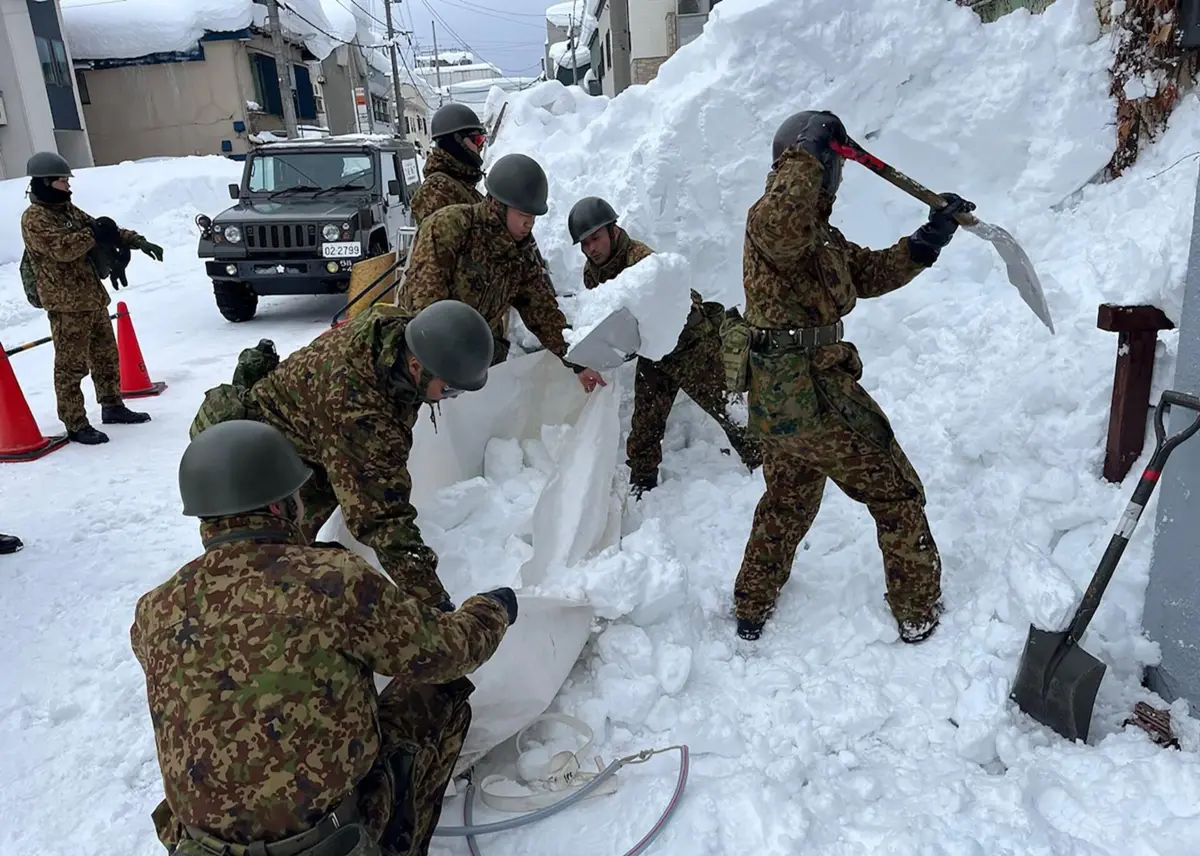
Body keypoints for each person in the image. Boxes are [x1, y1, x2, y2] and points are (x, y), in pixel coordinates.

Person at [132, 419, 516, 856]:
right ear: (280, 508)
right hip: (328, 839)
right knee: (435, 689)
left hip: (201, 847)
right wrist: (494, 609)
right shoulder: (331, 581)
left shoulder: (154, 609)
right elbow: (448, 652)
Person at [731, 109, 975, 644]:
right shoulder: (772, 225)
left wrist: (928, 240)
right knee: (896, 490)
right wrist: (804, 152)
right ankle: (916, 608)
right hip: (810, 392)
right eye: (823, 164)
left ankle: (751, 604)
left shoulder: (819, 237)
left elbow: (864, 273)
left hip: (783, 398)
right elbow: (780, 224)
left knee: (788, 499)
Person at [190, 299, 495, 610]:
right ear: (416, 367)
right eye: (448, 391)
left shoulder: (397, 332)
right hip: (265, 460)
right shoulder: (360, 409)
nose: (452, 399)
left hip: (313, 435)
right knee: (271, 560)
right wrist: (436, 603)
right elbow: (381, 518)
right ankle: (236, 620)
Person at [568, 196, 762, 498]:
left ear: (613, 231)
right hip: (654, 350)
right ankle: (642, 482)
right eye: (584, 244)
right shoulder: (592, 274)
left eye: (595, 239)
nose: (591, 248)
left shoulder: (642, 260)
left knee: (728, 409)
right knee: (645, 423)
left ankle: (767, 466)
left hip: (690, 343)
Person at [397, 152, 607, 393]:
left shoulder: (520, 254)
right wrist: (432, 373)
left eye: (533, 217)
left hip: (468, 360)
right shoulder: (451, 227)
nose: (529, 224)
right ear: (498, 205)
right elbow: (424, 305)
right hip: (422, 359)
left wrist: (577, 362)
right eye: (523, 215)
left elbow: (542, 312)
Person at [20, 151, 164, 445]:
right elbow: (62, 249)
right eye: (62, 180)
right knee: (71, 366)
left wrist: (137, 241)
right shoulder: (35, 218)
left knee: (106, 357)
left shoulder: (67, 209)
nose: (68, 185)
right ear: (46, 182)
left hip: (92, 297)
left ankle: (112, 406)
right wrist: (93, 235)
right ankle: (75, 423)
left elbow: (103, 228)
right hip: (66, 304)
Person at [410, 103, 487, 226]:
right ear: (456, 141)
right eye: (478, 139)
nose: (481, 146)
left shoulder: (459, 183)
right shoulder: (436, 192)